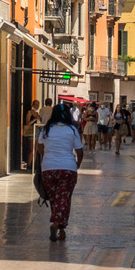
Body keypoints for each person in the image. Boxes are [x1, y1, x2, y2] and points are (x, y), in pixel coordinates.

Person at [37, 103, 83, 242]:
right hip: (68, 168)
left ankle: (61, 229)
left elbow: (39, 149)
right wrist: (77, 165)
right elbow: (80, 152)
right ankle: (57, 224)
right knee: (64, 199)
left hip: (48, 168)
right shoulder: (72, 130)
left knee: (54, 199)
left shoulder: (46, 130)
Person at [23, 99, 41, 170]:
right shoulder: (29, 112)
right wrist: (34, 119)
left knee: (36, 149)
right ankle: (29, 165)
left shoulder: (38, 113)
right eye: (36, 104)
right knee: (31, 149)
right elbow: (27, 123)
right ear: (33, 105)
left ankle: (34, 165)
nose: (37, 106)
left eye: (38, 104)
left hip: (37, 130)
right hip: (31, 131)